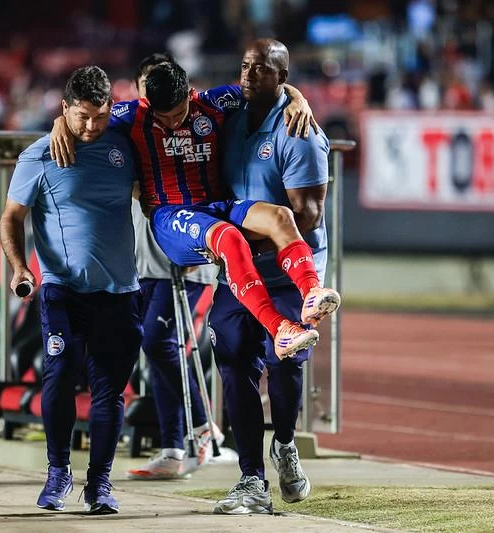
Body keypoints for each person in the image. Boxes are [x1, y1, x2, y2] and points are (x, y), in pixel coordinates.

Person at [50, 62, 340, 362]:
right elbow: (84, 120)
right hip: (171, 215)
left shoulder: (214, 101)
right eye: (164, 118)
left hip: (216, 208)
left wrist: (297, 98)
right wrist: (60, 123)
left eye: (179, 114)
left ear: (191, 94)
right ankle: (280, 329)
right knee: (229, 238)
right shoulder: (131, 115)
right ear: (149, 103)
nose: (174, 124)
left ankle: (312, 292)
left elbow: (267, 90)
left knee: (280, 216)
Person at [0, 65, 141, 515]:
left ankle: (99, 483)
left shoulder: (124, 145)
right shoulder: (39, 156)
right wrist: (21, 267)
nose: (90, 126)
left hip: (119, 292)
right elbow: (11, 218)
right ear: (64, 109)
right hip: (62, 291)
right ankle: (57, 471)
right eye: (80, 117)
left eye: (100, 117)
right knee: (59, 375)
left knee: (109, 392)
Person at [209, 39, 331, 515]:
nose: (248, 75)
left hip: (287, 272)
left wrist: (242, 243)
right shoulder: (228, 117)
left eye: (261, 69)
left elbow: (310, 215)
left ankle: (284, 443)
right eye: (244, 66)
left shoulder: (298, 130)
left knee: (284, 362)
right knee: (232, 363)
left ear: (281, 77)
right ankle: (250, 480)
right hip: (238, 271)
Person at [124, 53, 224, 481]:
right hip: (146, 260)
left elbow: (266, 93)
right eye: (145, 88)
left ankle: (201, 431)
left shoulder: (202, 116)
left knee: (158, 343)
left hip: (187, 258)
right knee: (155, 351)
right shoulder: (133, 126)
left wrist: (296, 99)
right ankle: (173, 447)